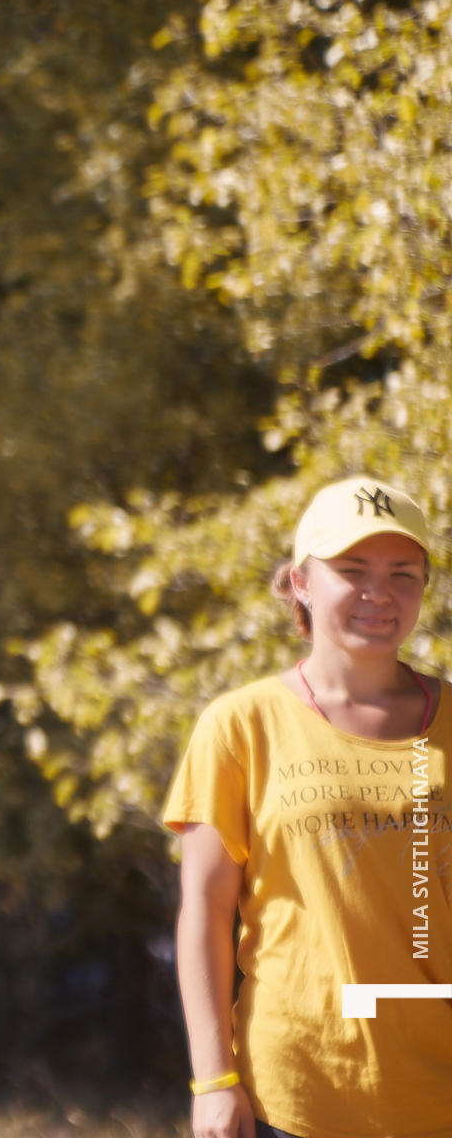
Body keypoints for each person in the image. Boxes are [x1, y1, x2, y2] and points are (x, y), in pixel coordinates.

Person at [163, 477, 452, 1138]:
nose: (379, 593)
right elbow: (204, 912)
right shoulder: (240, 725)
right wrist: (213, 1081)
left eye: (402, 573)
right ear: (301, 582)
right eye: (352, 570)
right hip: (293, 1097)